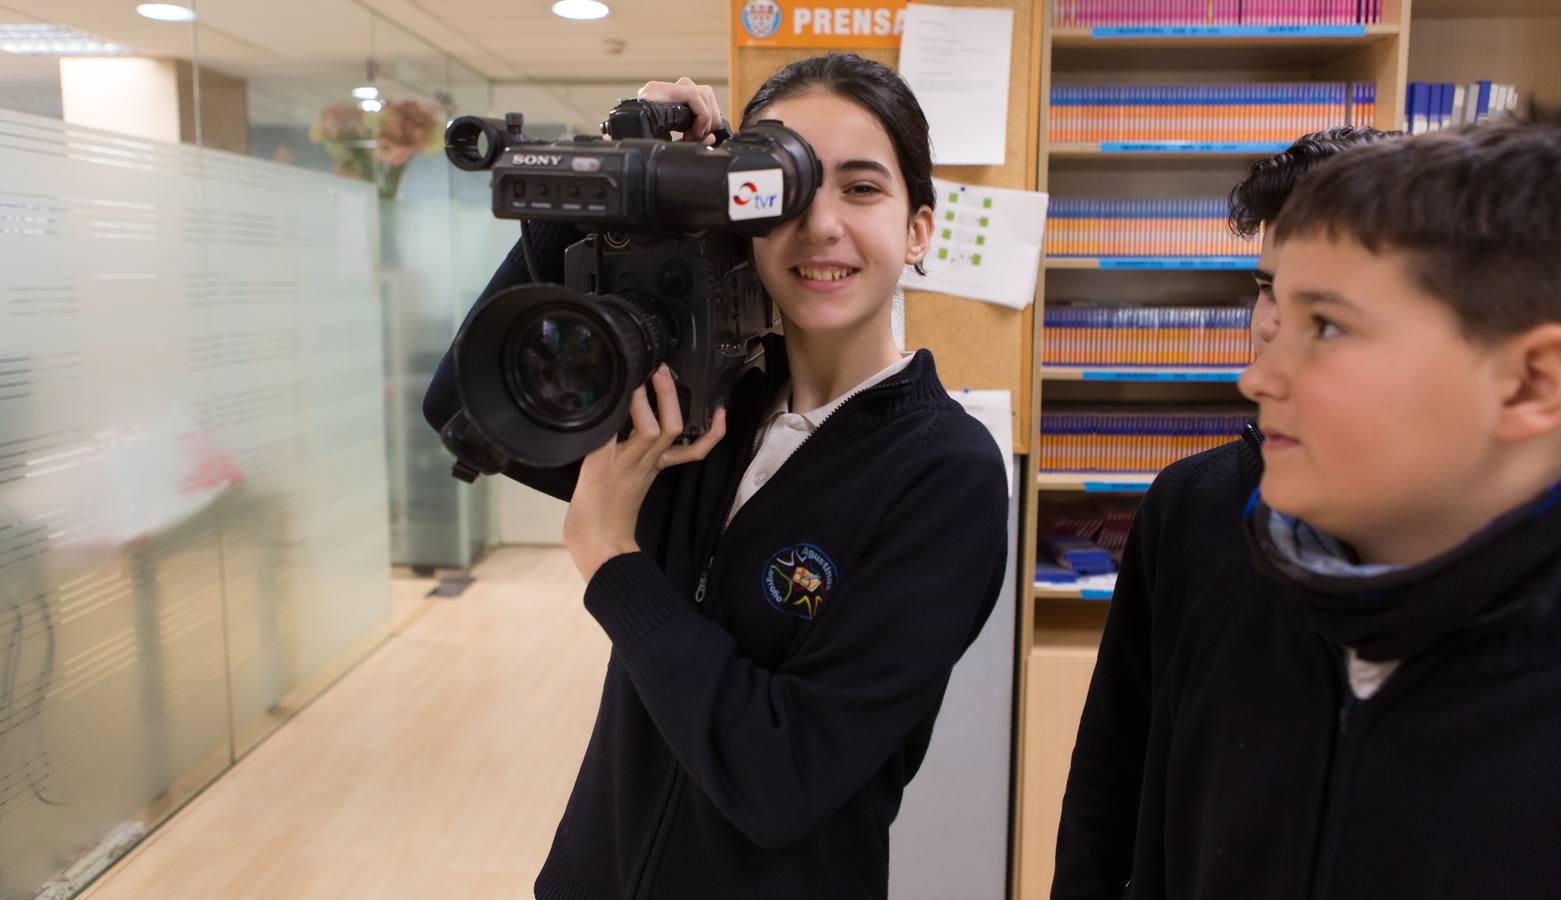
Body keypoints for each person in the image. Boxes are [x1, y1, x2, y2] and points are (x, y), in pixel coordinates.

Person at [424, 55, 1008, 899]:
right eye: (789, 188)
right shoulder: (695, 404)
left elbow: (780, 778)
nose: (821, 226)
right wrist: (605, 177)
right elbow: (466, 408)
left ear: (919, 229)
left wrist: (612, 559)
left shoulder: (944, 473)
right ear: (744, 216)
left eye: (862, 189)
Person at [1123, 118, 1561, 898]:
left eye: (1325, 326)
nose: (1256, 378)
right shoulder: (1267, 609)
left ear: (1530, 383)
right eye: (1272, 305)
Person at [1050, 126, 1398, 899]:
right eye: (1267, 287)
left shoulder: (1458, 541)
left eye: (1322, 304)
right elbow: (1109, 770)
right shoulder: (1192, 504)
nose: (1272, 324)